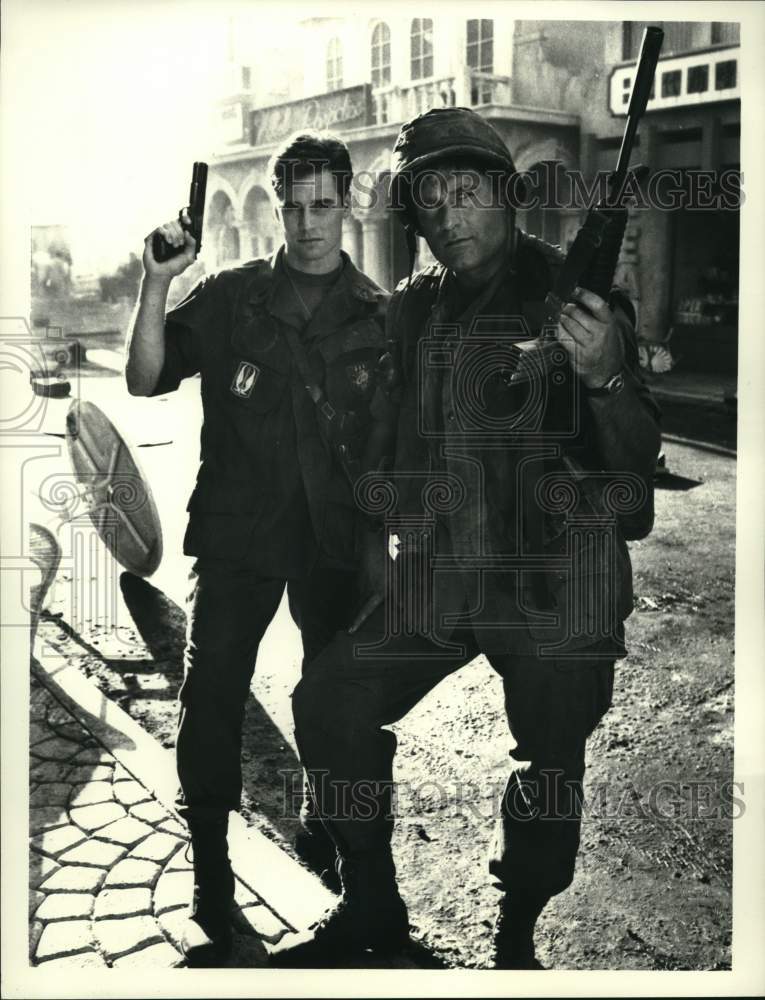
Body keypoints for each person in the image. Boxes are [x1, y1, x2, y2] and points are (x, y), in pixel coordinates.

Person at [271, 108, 661, 969]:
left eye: (468, 191)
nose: (449, 214)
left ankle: (515, 938)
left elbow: (633, 481)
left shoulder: (585, 301)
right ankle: (370, 902)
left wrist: (604, 379)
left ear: (508, 197)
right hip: (447, 577)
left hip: (558, 580)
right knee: (330, 703)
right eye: (429, 199)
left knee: (551, 766)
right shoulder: (415, 312)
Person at [124, 131, 394, 967]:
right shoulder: (234, 298)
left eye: (324, 204)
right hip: (240, 539)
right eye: (294, 205)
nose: (309, 223)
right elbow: (143, 377)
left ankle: (346, 860)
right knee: (211, 699)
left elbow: (391, 450)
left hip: (330, 546)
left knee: (339, 711)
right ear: (276, 206)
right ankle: (211, 876)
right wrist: (156, 283)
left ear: (346, 203)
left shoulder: (379, 316)